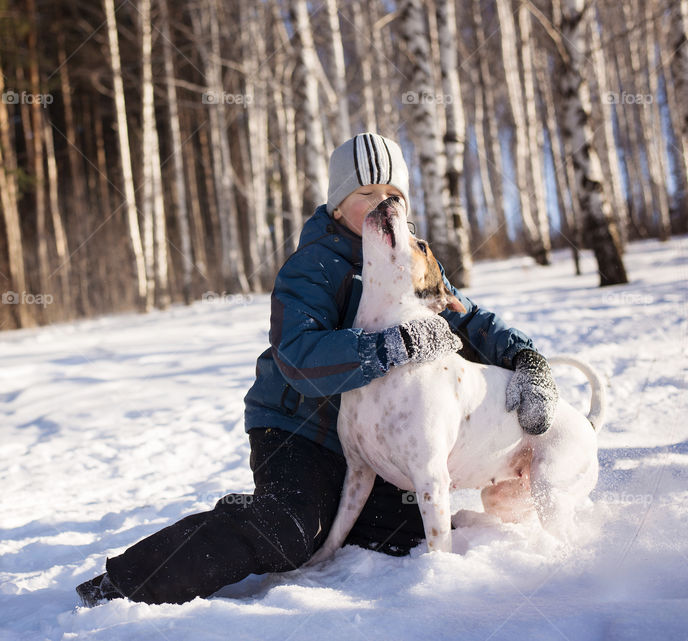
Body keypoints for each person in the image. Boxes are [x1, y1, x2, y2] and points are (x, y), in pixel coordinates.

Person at [75, 132, 559, 607]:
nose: (379, 204)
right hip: (297, 428)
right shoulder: (314, 266)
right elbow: (299, 358)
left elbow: (464, 318)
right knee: (289, 529)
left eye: (392, 194)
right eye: (364, 193)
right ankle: (128, 582)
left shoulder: (407, 255)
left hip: (375, 439)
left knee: (403, 533)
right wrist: (395, 344)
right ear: (335, 205)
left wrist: (525, 360)